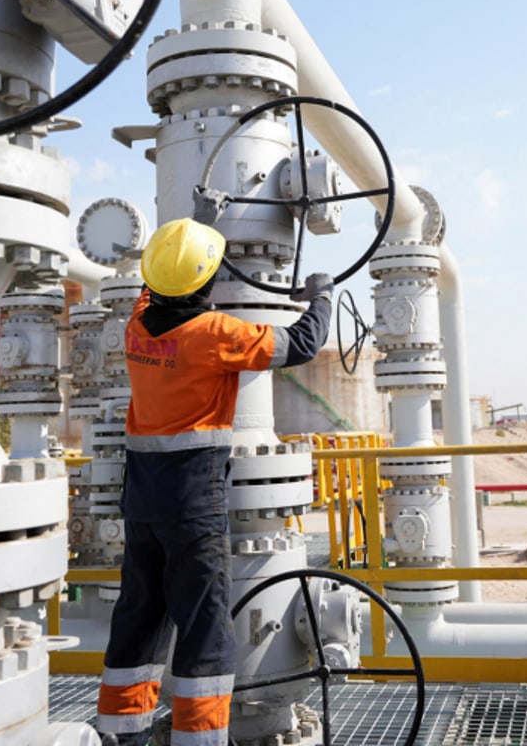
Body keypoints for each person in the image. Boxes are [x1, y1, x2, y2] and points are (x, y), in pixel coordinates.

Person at [97, 188, 333, 746]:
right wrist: (323, 294)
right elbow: (300, 342)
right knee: (204, 627)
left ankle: (119, 733)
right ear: (206, 283)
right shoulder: (213, 335)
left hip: (142, 502)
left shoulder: (136, 328)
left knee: (140, 613)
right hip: (192, 503)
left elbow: (155, 287)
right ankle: (198, 739)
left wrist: (199, 225)